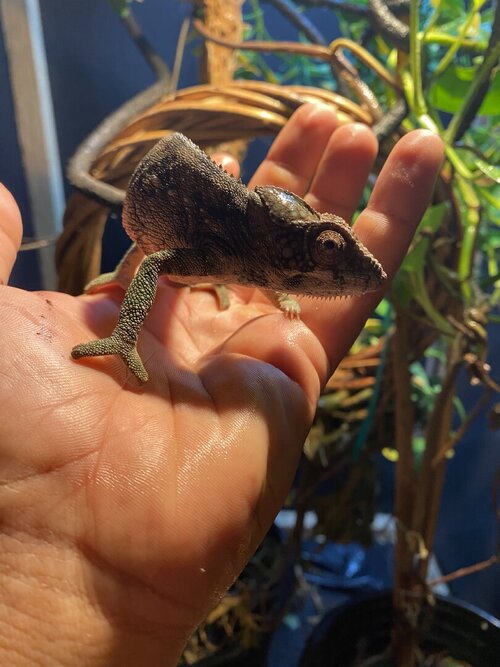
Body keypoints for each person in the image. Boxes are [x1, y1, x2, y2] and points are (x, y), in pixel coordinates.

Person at [0, 103, 443, 665]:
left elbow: (258, 264)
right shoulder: (236, 245)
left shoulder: (257, 254)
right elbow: (158, 261)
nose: (333, 261)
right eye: (327, 248)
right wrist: (124, 334)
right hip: (161, 207)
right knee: (168, 258)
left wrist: (279, 289)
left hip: (204, 232)